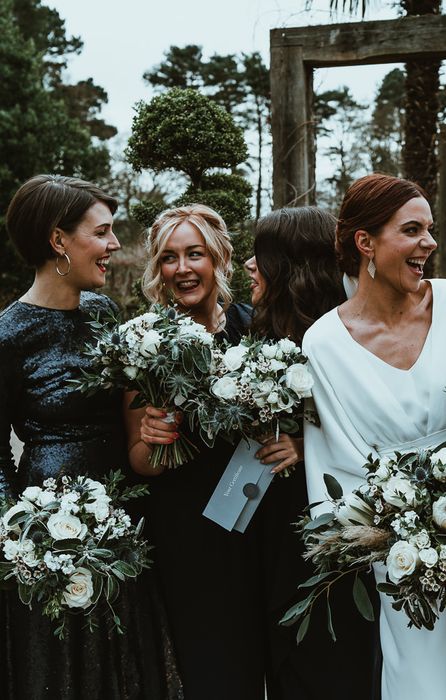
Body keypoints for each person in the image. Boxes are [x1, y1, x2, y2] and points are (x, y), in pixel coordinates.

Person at [303, 173, 446, 700]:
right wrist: (387, 530)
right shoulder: (323, 343)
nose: (429, 244)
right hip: (397, 541)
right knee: (415, 668)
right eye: (412, 230)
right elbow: (334, 464)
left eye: (429, 230)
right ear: (365, 242)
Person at [0, 174, 182, 699]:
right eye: (102, 232)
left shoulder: (107, 315)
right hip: (47, 542)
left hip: (124, 521)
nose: (114, 244)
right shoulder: (9, 335)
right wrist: (24, 541)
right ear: (59, 241)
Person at [125, 204, 255, 700]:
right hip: (186, 525)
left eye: (194, 254)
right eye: (169, 258)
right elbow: (136, 458)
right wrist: (154, 441)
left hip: (255, 516)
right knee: (210, 663)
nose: (182, 269)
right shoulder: (144, 341)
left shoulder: (255, 328)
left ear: (219, 257)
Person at [243, 206, 349, 699]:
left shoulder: (343, 337)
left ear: (290, 264)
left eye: (259, 255)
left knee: (321, 659)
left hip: (324, 521)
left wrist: (310, 447)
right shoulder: (258, 331)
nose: (248, 264)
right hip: (264, 519)